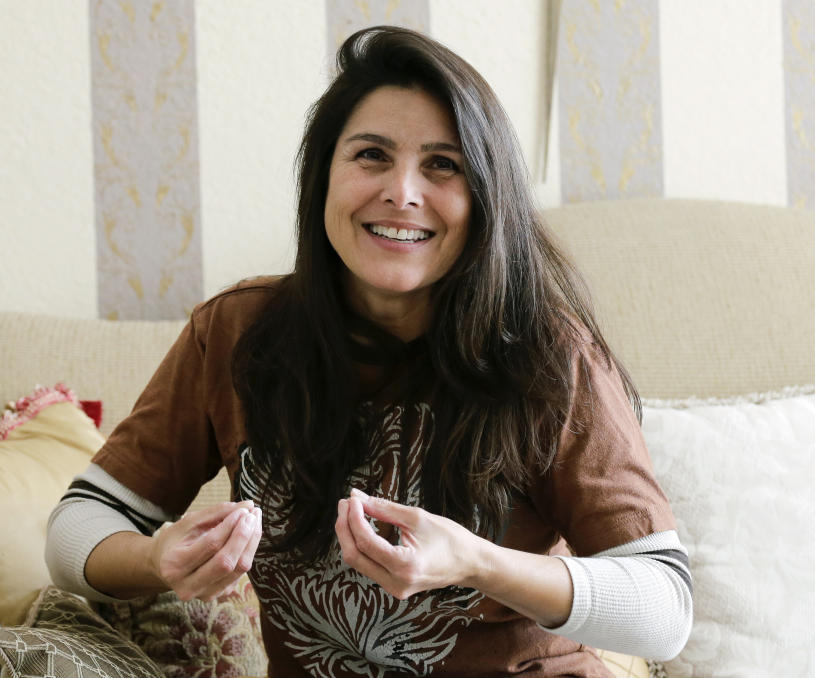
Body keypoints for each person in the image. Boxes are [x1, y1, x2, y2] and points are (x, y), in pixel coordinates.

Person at [47, 26, 692, 677]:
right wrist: (155, 558)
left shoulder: (548, 355)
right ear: (322, 177)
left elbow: (665, 611)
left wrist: (475, 561)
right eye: (371, 156)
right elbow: (79, 524)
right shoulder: (237, 333)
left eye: (443, 165)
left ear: (486, 198)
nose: (402, 191)